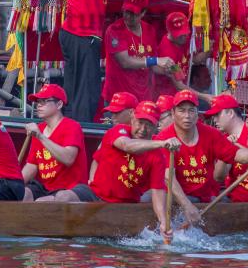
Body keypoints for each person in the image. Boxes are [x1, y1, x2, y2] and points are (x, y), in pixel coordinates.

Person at [50, 100, 179, 242]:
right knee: (63, 197)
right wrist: (162, 143)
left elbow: (157, 191)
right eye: (140, 122)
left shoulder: (157, 156)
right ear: (133, 118)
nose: (143, 129)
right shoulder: (119, 131)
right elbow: (127, 145)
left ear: (156, 127)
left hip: (126, 204)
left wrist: (163, 222)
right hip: (95, 194)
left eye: (149, 125)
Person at [59, 0, 140, 122]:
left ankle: (76, 126)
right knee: (85, 89)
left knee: (84, 87)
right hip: (80, 35)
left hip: (84, 37)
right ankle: (80, 130)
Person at [155, 90, 248, 227]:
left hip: (206, 200)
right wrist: (187, 206)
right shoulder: (163, 139)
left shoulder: (211, 134)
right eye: (182, 111)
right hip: (175, 200)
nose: (187, 116)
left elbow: (235, 154)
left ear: (197, 113)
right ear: (173, 113)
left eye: (191, 110)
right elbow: (169, 177)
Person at [99, 0, 172, 114]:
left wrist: (169, 69)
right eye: (126, 11)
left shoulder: (149, 31)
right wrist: (156, 60)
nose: (128, 16)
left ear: (143, 13)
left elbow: (153, 67)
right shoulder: (114, 30)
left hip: (143, 99)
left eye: (133, 13)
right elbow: (125, 62)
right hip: (118, 101)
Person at [22, 84, 88, 201]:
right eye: (38, 101)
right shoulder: (40, 129)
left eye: (45, 101)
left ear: (59, 104)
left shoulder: (72, 126)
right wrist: (14, 184)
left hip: (72, 189)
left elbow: (68, 158)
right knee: (23, 193)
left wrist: (40, 137)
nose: (39, 105)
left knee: (54, 199)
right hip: (46, 188)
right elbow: (32, 166)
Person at [154, 11, 209, 97]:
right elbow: (179, 85)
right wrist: (205, 97)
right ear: (169, 31)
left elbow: (195, 59)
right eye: (179, 35)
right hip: (168, 97)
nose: (183, 37)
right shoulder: (167, 53)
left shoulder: (184, 40)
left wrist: (210, 49)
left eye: (185, 33)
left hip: (180, 94)